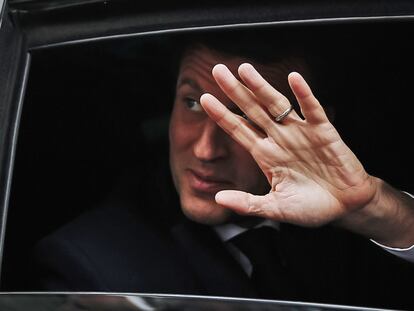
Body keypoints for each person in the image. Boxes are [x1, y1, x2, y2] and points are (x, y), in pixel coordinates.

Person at [30, 39, 414, 310]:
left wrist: (374, 207)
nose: (205, 150)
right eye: (192, 103)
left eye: (248, 116)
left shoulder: (363, 231)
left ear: (317, 130)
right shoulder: (93, 263)